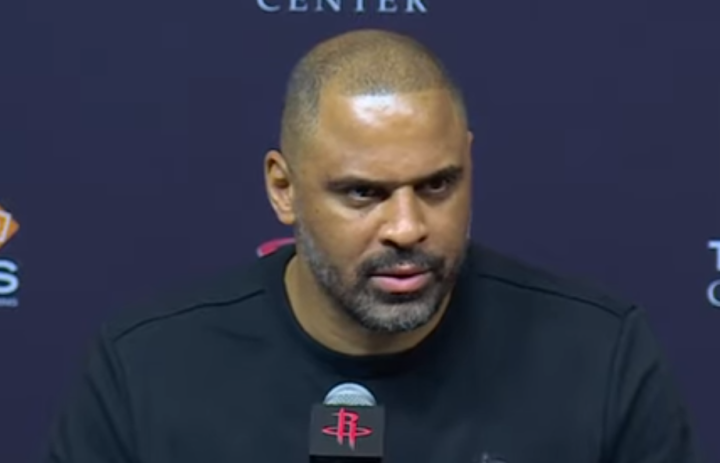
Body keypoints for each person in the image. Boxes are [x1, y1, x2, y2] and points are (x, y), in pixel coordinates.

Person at [45, 29, 700, 463]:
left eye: (438, 184)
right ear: (283, 188)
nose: (407, 227)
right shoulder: (147, 369)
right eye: (363, 193)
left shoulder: (598, 356)